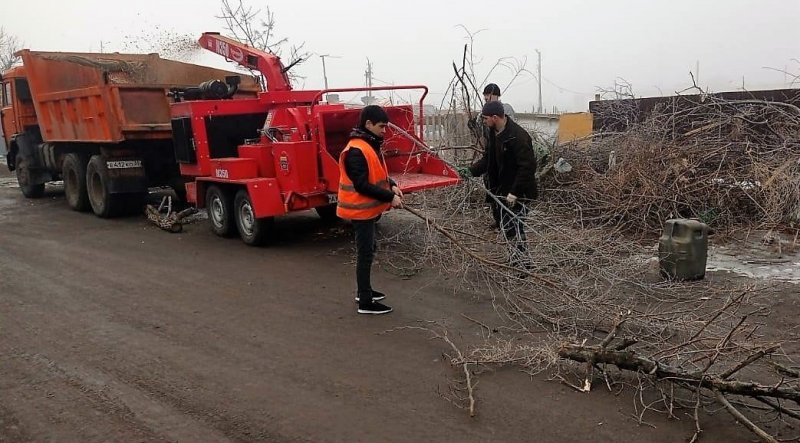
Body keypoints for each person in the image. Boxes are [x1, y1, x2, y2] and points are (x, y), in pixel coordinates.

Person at [337, 105, 403, 315]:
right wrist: (390, 197)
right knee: (365, 253)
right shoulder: (356, 150)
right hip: (360, 211)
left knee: (369, 250)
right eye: (382, 127)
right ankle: (365, 302)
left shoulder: (368, 145)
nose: (385, 131)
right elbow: (362, 185)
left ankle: (364, 291)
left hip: (367, 211)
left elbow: (378, 174)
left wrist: (391, 184)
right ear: (368, 124)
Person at [466, 100, 537, 261]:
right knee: (505, 226)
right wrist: (470, 171)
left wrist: (515, 192)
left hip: (519, 192)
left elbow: (527, 167)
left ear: (495, 117)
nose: (483, 121)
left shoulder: (518, 137)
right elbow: (488, 159)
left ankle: (523, 265)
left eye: (485, 118)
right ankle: (515, 258)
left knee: (514, 227)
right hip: (502, 190)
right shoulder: (493, 133)